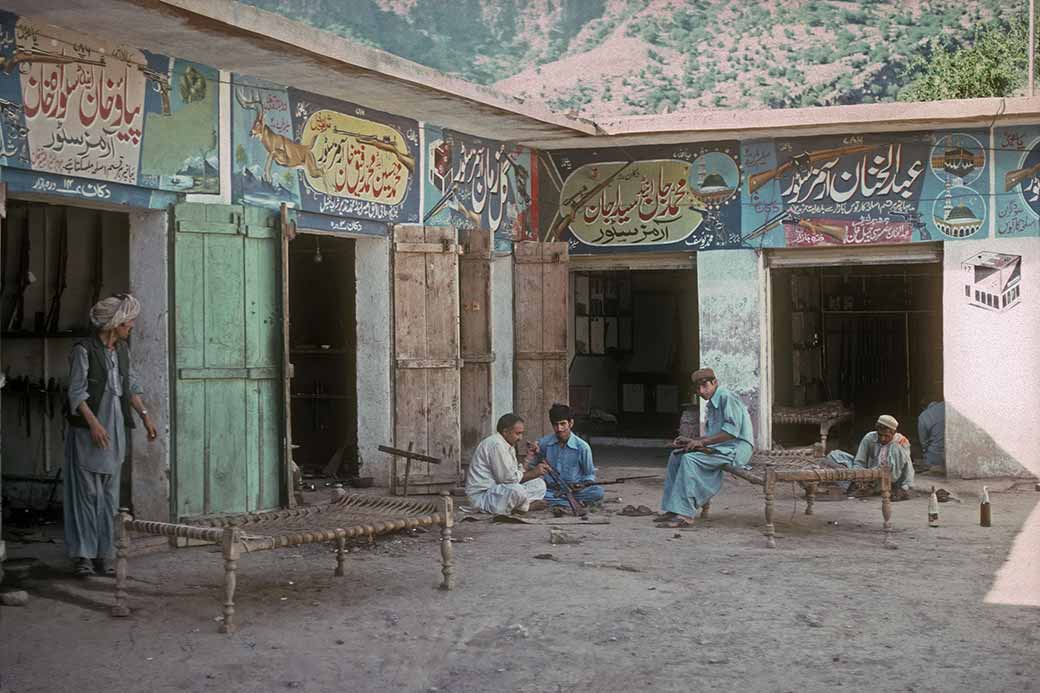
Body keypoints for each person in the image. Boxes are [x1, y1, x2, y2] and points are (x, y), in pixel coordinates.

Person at [65, 294, 159, 577]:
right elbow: (77, 393)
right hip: (88, 433)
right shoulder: (83, 350)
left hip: (115, 431)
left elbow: (130, 386)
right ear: (115, 322)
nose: (131, 325)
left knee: (108, 496)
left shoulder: (122, 351)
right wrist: (93, 424)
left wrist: (145, 417)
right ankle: (83, 555)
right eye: (128, 321)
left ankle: (103, 554)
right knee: (86, 494)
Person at [657, 368, 754, 529]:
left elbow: (731, 433)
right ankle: (673, 509)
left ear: (715, 383)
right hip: (721, 447)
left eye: (705, 386)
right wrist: (692, 440)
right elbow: (714, 435)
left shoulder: (726, 397)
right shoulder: (712, 403)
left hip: (737, 449)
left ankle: (685, 515)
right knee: (677, 455)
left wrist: (703, 443)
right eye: (698, 388)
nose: (701, 391)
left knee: (689, 459)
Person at [465, 413, 549, 514]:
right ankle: (526, 506)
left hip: (497, 491)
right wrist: (533, 473)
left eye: (522, 433)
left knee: (539, 484)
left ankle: (517, 505)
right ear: (505, 432)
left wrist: (529, 457)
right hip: (483, 497)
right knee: (517, 490)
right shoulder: (496, 445)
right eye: (517, 433)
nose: (520, 438)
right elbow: (507, 479)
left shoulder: (508, 445)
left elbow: (515, 473)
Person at [825, 414, 915, 501]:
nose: (883, 438)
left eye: (886, 436)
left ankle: (875, 488)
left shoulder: (901, 442)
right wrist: (859, 478)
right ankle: (860, 487)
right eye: (880, 435)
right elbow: (859, 461)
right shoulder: (869, 438)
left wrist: (906, 487)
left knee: (896, 451)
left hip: (889, 479)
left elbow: (908, 468)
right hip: (868, 475)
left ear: (894, 433)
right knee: (833, 456)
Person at [536, 403, 603, 511]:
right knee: (531, 491)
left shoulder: (582, 447)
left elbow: (589, 474)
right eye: (555, 425)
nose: (559, 428)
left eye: (563, 424)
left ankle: (560, 502)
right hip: (551, 490)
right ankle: (572, 503)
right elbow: (532, 468)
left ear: (571, 423)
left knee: (597, 492)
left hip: (575, 491)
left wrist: (582, 484)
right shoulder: (544, 443)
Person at [917, 398, 945, 474]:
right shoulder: (948, 405)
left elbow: (924, 443)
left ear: (923, 407)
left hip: (936, 458)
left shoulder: (924, 416)